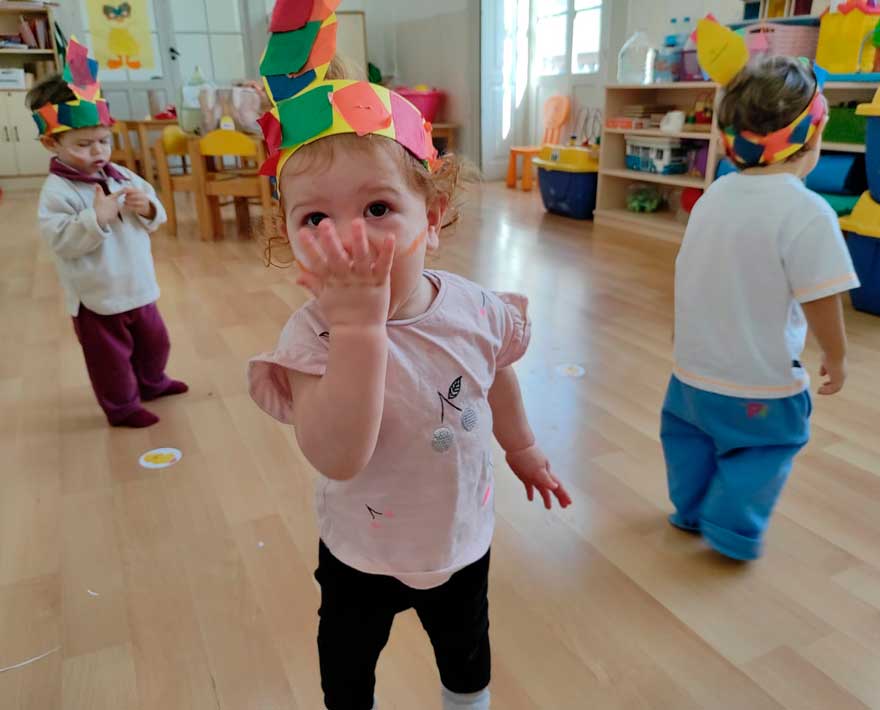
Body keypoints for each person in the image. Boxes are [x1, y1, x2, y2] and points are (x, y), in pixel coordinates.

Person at [248, 5, 571, 709]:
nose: (351, 240)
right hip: (360, 552)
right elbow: (337, 457)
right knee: (347, 668)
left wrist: (522, 448)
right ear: (288, 236)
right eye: (315, 218)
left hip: (459, 535)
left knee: (467, 654)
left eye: (377, 209)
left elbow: (495, 373)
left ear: (433, 213)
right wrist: (359, 332)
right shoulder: (311, 339)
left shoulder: (476, 308)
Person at [662, 55, 860, 561]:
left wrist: (682, 337)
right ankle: (730, 526)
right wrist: (836, 356)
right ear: (811, 138)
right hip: (760, 388)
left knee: (690, 442)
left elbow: (691, 272)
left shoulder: (714, 195)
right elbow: (821, 297)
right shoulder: (808, 212)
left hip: (690, 378)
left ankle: (690, 508)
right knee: (767, 446)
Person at [31, 39, 187, 429]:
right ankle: (121, 406)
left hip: (138, 284)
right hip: (96, 297)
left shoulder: (122, 175)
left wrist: (147, 207)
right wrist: (95, 219)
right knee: (110, 359)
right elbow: (60, 240)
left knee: (155, 342)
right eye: (83, 145)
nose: (98, 152)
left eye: (104, 140)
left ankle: (152, 381)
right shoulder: (58, 192)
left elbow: (156, 214)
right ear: (52, 143)